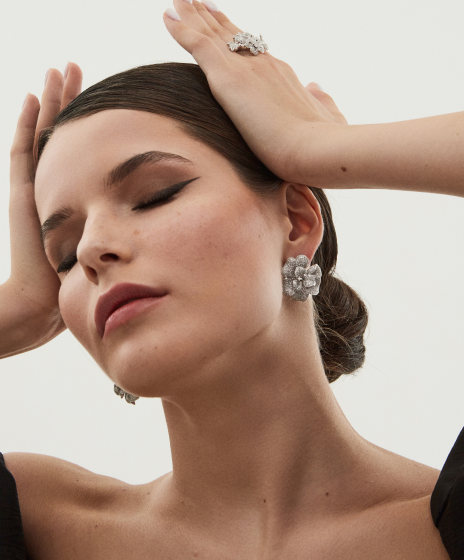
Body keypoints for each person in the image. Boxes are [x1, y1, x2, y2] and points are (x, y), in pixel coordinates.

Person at [1, 1, 463, 558]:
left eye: (155, 196)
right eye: (64, 257)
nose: (92, 249)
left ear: (296, 220)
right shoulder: (36, 524)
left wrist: (314, 146)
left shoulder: (441, 528)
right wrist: (21, 308)